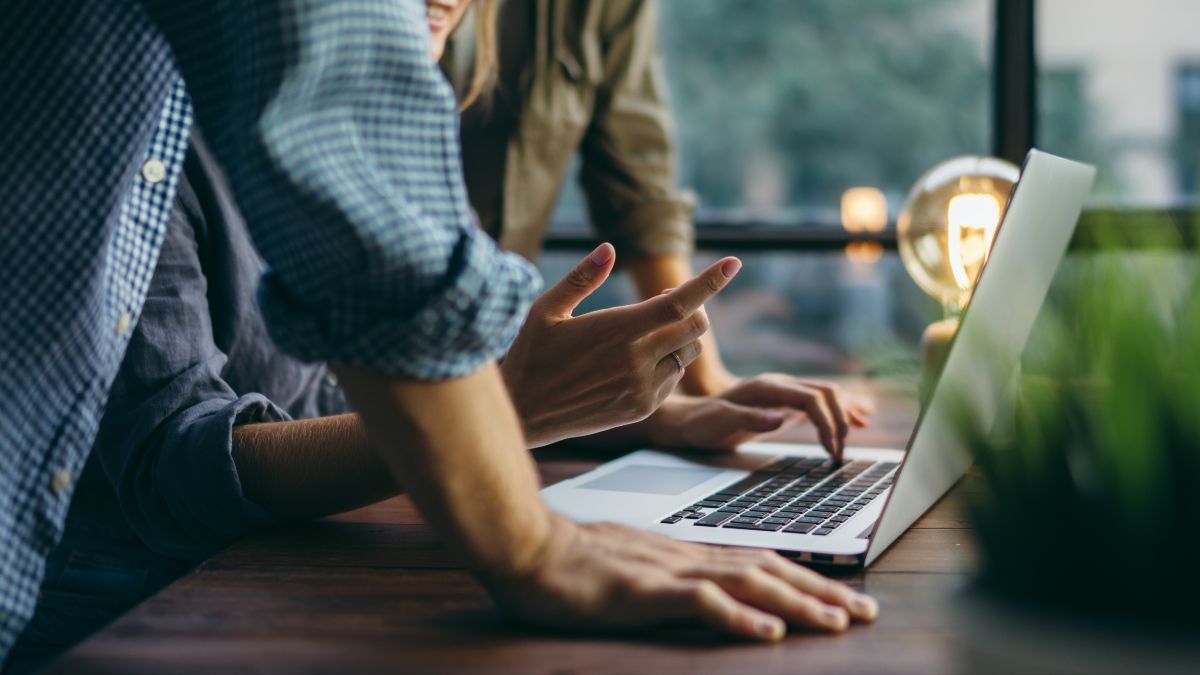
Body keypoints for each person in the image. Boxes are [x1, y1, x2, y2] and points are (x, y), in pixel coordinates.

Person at [0, 0, 875, 670]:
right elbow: (169, 466)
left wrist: (637, 408)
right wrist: (527, 533)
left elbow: (336, 403)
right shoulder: (186, 135)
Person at [440, 0, 870, 433]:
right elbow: (456, 418)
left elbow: (639, 180)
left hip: (475, 389)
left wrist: (692, 398)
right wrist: (510, 413)